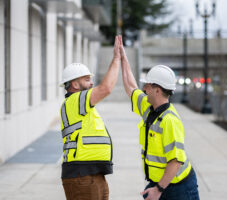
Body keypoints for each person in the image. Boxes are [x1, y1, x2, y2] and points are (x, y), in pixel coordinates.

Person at [119, 37, 200, 200]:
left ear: (157, 90)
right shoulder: (149, 108)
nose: (144, 88)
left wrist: (158, 190)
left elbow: (175, 161)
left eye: (147, 86)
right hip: (161, 185)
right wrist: (122, 58)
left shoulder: (170, 120)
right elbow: (131, 87)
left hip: (179, 189)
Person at [58, 36, 122, 200]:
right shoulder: (74, 100)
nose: (92, 83)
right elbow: (106, 88)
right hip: (81, 175)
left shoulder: (83, 106)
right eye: (87, 79)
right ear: (75, 85)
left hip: (94, 173)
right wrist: (116, 59)